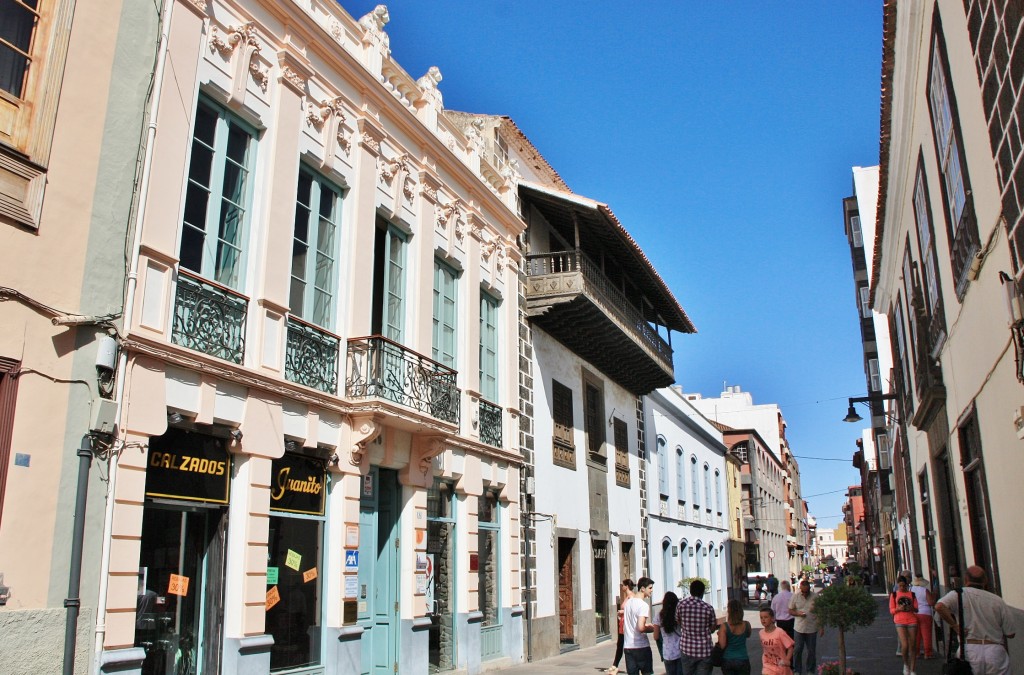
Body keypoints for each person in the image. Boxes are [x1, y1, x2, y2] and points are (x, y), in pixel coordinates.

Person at [934, 565, 1017, 675]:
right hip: (995, 651)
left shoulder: (958, 594)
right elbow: (1011, 633)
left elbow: (939, 606)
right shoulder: (997, 600)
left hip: (969, 650)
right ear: (985, 581)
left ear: (966, 580)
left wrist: (955, 626)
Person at [675, 578, 718, 675]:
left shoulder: (680, 605)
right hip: (704, 650)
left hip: (686, 648)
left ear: (690, 591)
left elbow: (678, 621)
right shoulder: (708, 608)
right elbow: (712, 628)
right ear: (703, 592)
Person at [788, 578, 823, 675]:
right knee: (797, 649)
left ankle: (810, 670)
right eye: (802, 591)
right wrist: (797, 613)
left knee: (811, 651)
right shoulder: (795, 596)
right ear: (800, 589)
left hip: (812, 628)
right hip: (799, 627)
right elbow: (790, 610)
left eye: (806, 591)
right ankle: (797, 670)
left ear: (809, 589)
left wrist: (821, 627)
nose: (804, 593)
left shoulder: (815, 597)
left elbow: (820, 612)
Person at [622, 577, 657, 675]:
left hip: (628, 646)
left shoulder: (628, 603)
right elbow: (641, 627)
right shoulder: (643, 605)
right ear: (642, 588)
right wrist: (652, 628)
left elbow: (632, 622)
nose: (651, 590)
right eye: (650, 588)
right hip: (641, 647)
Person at [891, 575, 919, 675]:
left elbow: (916, 609)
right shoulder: (894, 595)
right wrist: (898, 609)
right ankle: (906, 664)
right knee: (905, 645)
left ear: (907, 585)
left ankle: (913, 669)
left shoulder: (912, 594)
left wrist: (911, 608)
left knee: (913, 645)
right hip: (899, 620)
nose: (902, 588)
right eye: (900, 586)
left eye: (904, 586)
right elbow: (891, 610)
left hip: (911, 620)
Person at [608, 578, 636, 675]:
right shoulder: (627, 597)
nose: (622, 587)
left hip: (626, 624)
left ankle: (616, 665)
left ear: (627, 586)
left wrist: (622, 612)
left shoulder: (632, 597)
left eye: (623, 585)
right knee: (620, 644)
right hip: (622, 624)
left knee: (623, 644)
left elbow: (632, 610)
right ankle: (615, 664)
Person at [718, 599, 752, 674]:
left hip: (728, 659)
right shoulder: (747, 624)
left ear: (729, 611)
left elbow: (722, 645)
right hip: (743, 659)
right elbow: (748, 635)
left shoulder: (724, 626)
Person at [652, 591, 682, 675]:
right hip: (680, 652)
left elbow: (656, 636)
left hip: (667, 653)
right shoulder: (679, 615)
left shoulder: (659, 616)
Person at [759, 606, 794, 675]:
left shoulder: (779, 632)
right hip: (768, 665)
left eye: (766, 617)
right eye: (761, 617)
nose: (763, 620)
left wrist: (787, 660)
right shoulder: (761, 633)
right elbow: (765, 649)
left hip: (781, 665)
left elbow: (790, 647)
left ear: (772, 619)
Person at [910, 572, 936, 659]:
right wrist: (934, 597)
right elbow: (931, 602)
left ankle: (916, 653)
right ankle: (927, 653)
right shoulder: (925, 590)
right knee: (926, 634)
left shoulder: (911, 590)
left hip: (914, 613)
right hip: (925, 613)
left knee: (916, 635)